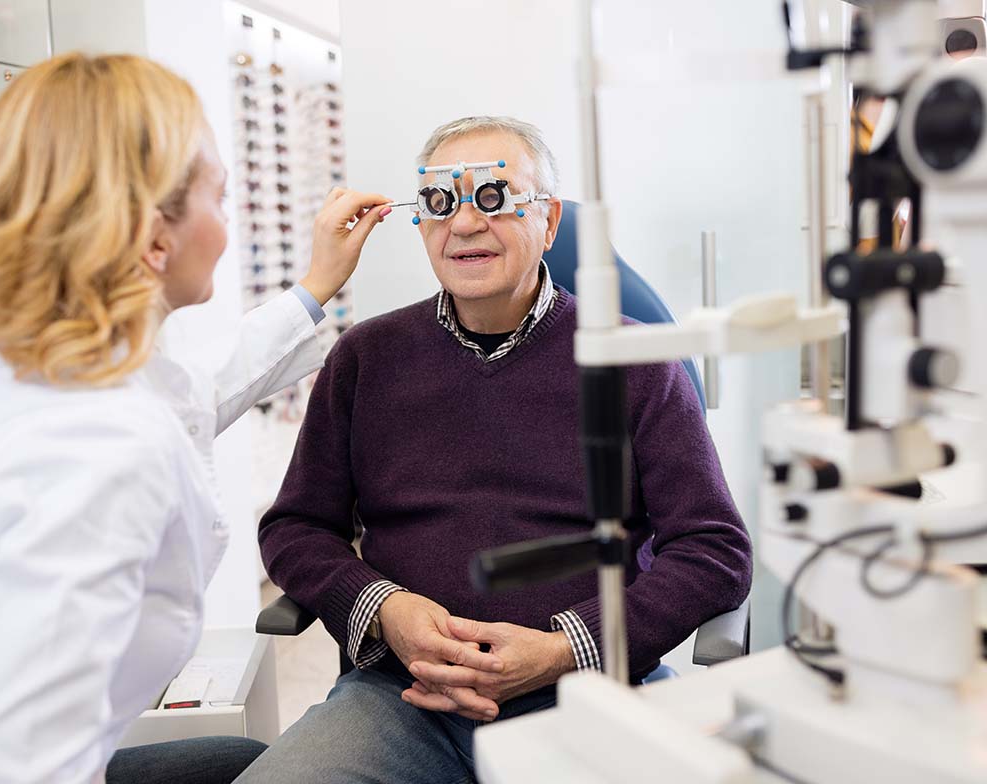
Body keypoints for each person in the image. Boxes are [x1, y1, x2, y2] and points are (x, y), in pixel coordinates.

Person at [240, 116, 752, 783]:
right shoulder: (365, 357)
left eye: (493, 197)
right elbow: (296, 528)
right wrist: (384, 608)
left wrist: (567, 647)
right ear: (420, 222)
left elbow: (714, 549)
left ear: (549, 220)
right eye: (440, 203)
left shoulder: (635, 360)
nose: (466, 224)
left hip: (589, 692)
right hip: (404, 700)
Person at [0, 52, 391, 783]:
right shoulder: (97, 448)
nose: (228, 229)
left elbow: (192, 393)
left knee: (232, 762)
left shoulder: (30, 366)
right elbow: (17, 762)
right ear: (154, 236)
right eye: (221, 200)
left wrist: (314, 288)